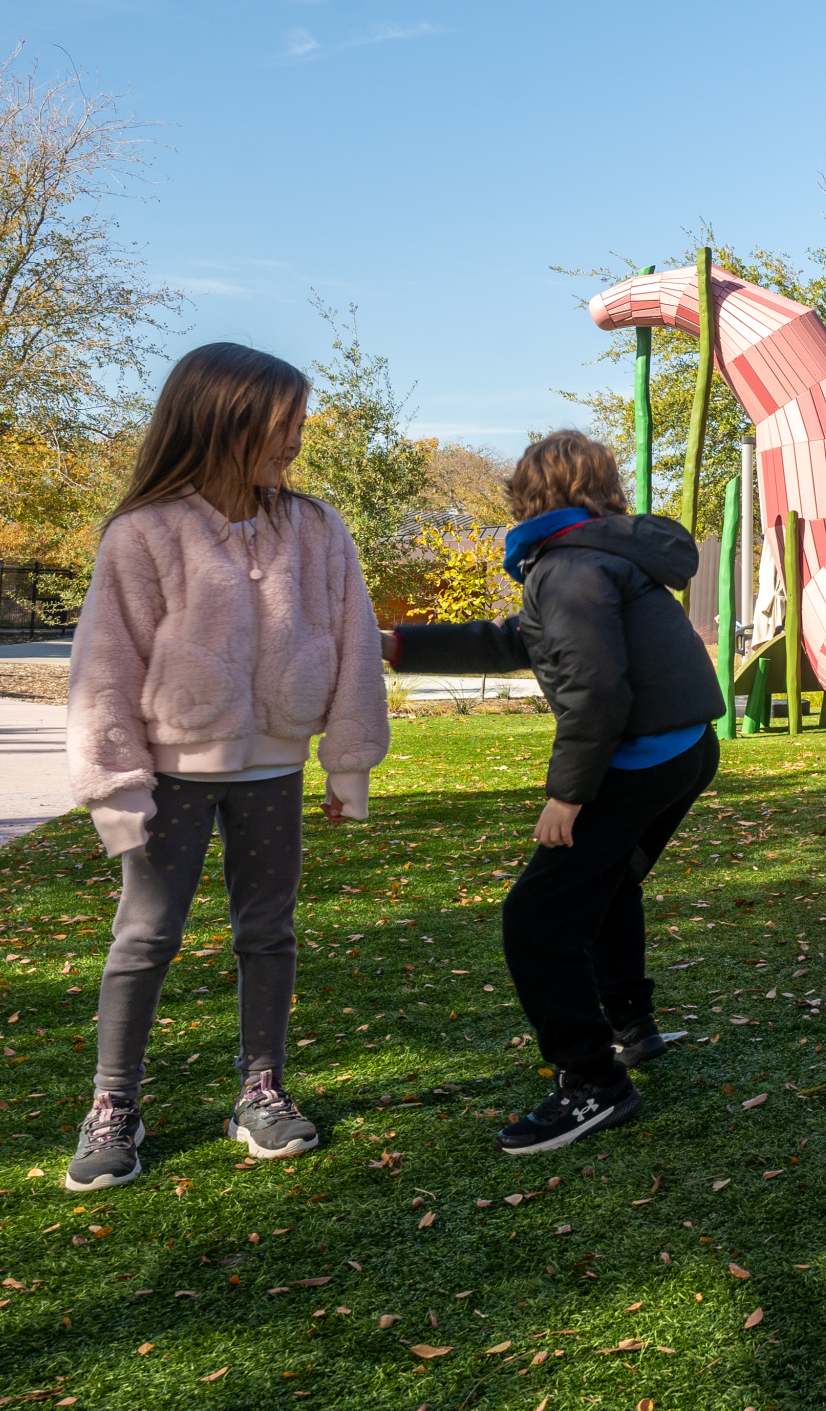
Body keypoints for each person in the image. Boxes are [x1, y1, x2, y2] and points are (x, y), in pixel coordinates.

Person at [61, 344, 389, 1191]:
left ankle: (261, 1087)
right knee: (146, 934)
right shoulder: (143, 534)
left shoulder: (315, 527)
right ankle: (113, 1104)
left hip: (272, 772)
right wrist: (115, 785)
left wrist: (346, 766)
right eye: (284, 425)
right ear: (224, 420)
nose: (296, 442)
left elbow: (355, 645)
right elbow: (105, 668)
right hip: (168, 777)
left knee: (267, 930)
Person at [384, 430, 721, 1155]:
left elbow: (597, 689)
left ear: (527, 495)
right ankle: (633, 1027)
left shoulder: (567, 570)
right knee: (607, 881)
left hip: (643, 758)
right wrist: (400, 645)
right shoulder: (596, 556)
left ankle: (593, 1082)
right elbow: (518, 640)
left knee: (536, 921)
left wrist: (568, 794)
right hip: (688, 749)